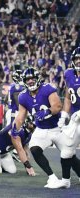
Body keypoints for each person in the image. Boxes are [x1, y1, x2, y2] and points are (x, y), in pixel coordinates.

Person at [12, 67, 65, 188]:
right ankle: (52, 178)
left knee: (68, 155)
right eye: (28, 79)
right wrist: (15, 128)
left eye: (32, 79)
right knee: (35, 149)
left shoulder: (47, 88)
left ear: (37, 78)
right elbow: (21, 116)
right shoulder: (23, 96)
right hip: (41, 129)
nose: (30, 81)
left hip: (57, 127)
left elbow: (57, 106)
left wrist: (47, 112)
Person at [56, 47, 80, 188]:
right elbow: (67, 96)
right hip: (74, 118)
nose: (79, 61)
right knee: (66, 149)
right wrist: (64, 115)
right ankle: (66, 180)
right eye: (77, 58)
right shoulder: (69, 74)